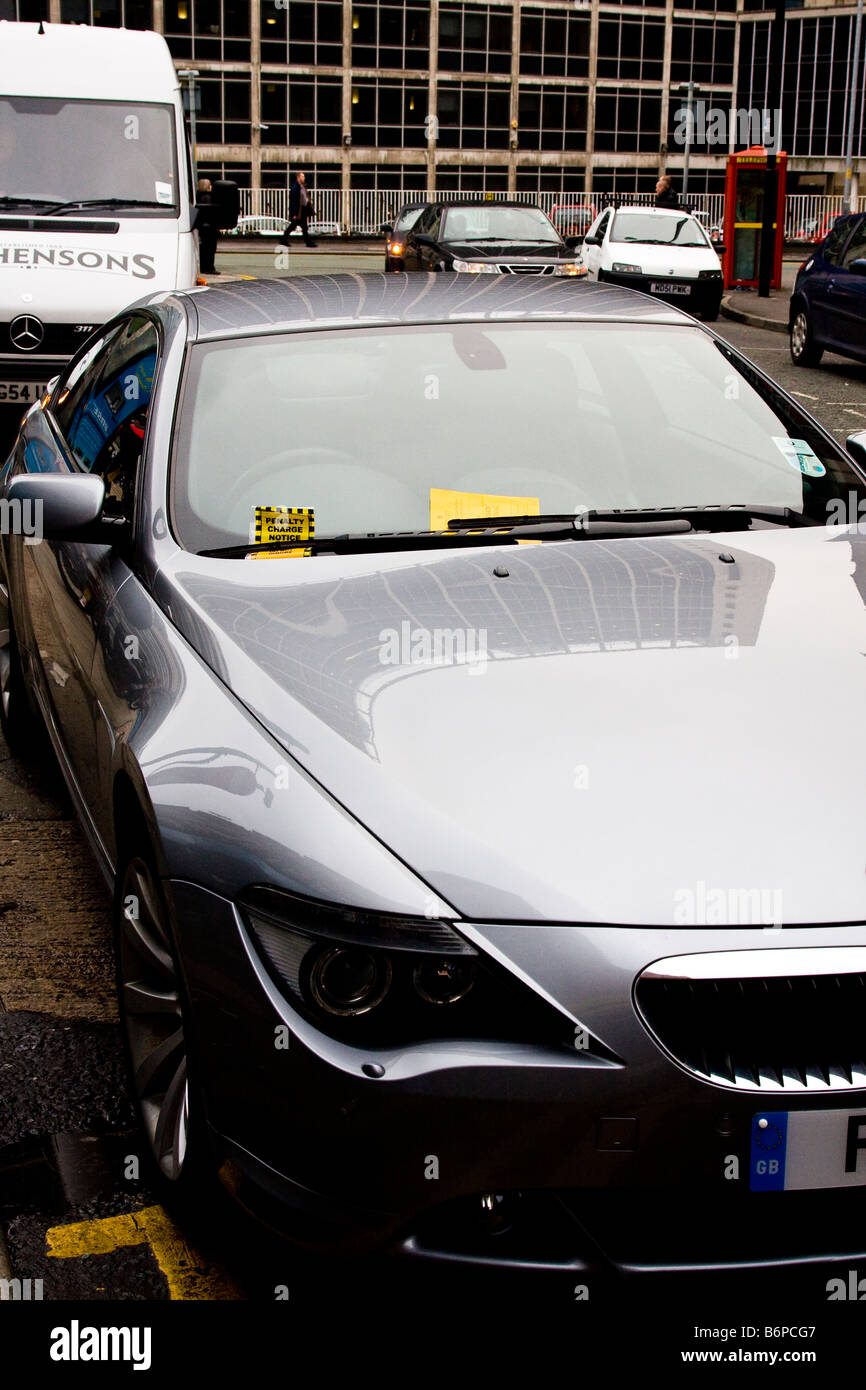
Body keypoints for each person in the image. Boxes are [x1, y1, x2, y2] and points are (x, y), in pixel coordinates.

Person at [280, 171, 317, 248]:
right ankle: (307, 242)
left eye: (304, 176)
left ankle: (284, 240)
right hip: (298, 211)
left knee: (301, 227)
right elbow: (294, 201)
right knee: (296, 226)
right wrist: (294, 213)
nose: (304, 178)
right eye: (302, 176)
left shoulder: (302, 187)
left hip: (302, 210)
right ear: (298, 177)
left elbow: (305, 199)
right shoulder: (295, 188)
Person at [196, 177, 219, 274]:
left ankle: (203, 267)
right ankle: (209, 268)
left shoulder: (196, 197)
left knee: (202, 249)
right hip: (209, 229)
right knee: (209, 249)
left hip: (199, 228)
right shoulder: (209, 198)